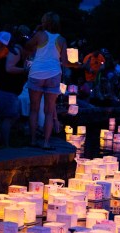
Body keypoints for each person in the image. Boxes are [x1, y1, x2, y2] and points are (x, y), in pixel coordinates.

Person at [25, 11, 81, 150]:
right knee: (49, 111)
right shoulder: (61, 40)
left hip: (37, 73)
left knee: (34, 109)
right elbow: (66, 63)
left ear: (44, 22)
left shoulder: (39, 35)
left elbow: (27, 46)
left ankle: (32, 140)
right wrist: (79, 65)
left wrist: (35, 32)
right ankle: (46, 142)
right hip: (53, 74)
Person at [0, 25, 32, 147]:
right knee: (9, 117)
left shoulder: (17, 51)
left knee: (13, 116)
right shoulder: (16, 51)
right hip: (6, 88)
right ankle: (5, 146)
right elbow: (9, 68)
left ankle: (0, 138)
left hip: (10, 89)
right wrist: (25, 70)